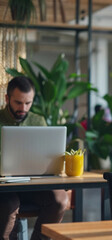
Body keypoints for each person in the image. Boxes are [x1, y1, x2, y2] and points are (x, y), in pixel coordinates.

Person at [0, 76, 68, 240]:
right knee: (9, 205)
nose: (23, 108)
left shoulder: (38, 120)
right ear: (7, 98)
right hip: (4, 187)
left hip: (33, 184)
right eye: (18, 102)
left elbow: (47, 155)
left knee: (60, 199)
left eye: (28, 103)